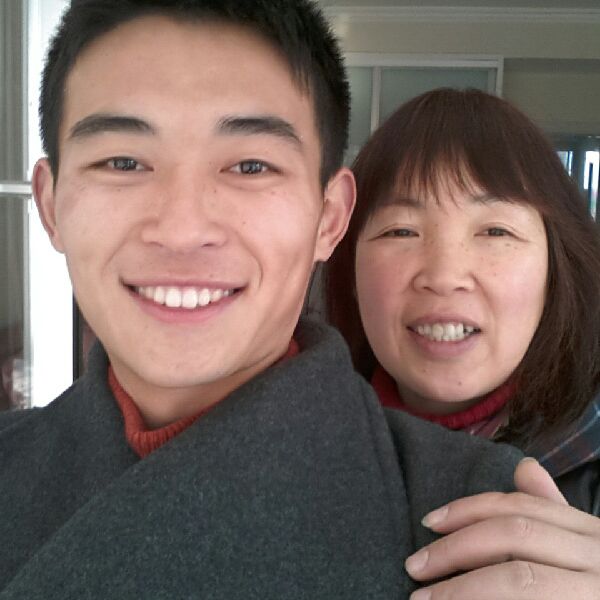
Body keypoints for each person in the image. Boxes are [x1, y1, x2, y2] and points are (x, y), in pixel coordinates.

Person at [0, 2, 530, 597]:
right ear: (50, 205)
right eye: (123, 162)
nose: (182, 230)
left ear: (329, 218)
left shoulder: (484, 526)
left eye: (250, 166)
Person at [326, 87, 600, 596]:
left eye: (495, 231)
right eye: (400, 231)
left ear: (554, 269)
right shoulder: (299, 446)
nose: (444, 276)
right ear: (349, 268)